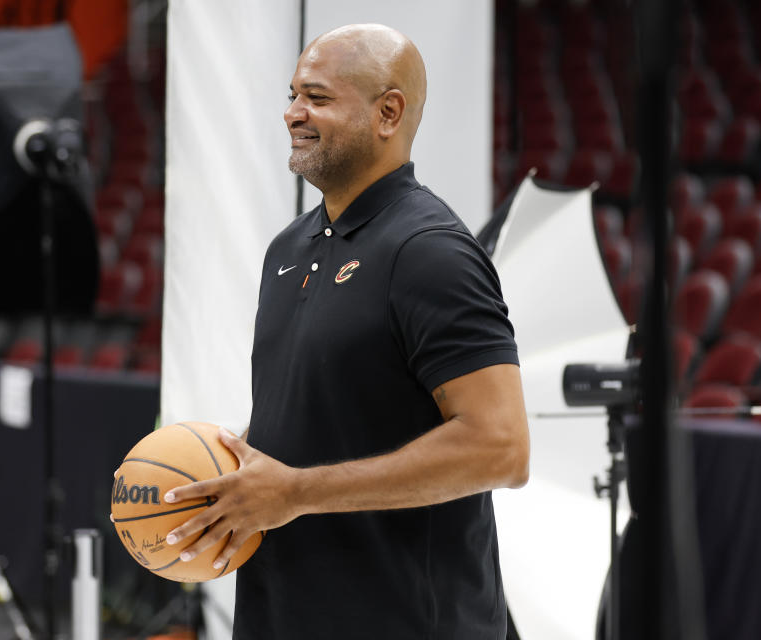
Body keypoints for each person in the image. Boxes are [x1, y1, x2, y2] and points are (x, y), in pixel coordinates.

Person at [163, 23, 530, 639]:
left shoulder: (431, 252)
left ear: (388, 112)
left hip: (409, 621)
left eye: (318, 98)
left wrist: (297, 491)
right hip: (283, 614)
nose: (292, 114)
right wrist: (237, 471)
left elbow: (501, 447)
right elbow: (333, 409)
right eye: (292, 95)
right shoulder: (288, 246)